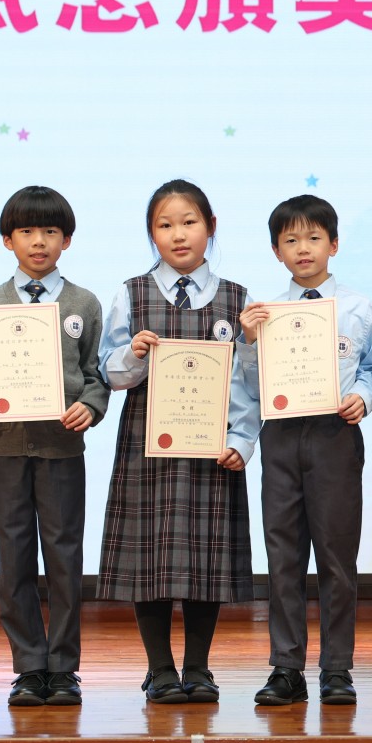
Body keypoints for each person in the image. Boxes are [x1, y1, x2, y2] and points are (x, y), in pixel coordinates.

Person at [96, 179, 259, 704]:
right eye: (164, 225)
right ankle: (160, 669)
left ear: (210, 227)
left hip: (212, 448)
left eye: (189, 222)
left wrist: (242, 440)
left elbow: (247, 382)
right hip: (148, 442)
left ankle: (199, 667)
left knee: (205, 558)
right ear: (152, 235)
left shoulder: (236, 299)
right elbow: (110, 372)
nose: (178, 234)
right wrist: (134, 354)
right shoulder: (131, 293)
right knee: (150, 557)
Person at [0, 185, 109, 708]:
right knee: (14, 557)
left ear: (67, 240)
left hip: (62, 447)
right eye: (26, 231)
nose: (38, 241)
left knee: (64, 557)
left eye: (50, 231)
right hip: (6, 446)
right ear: (8, 240)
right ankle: (28, 666)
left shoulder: (83, 303)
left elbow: (96, 374)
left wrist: (91, 406)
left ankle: (63, 668)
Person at [240, 195, 372, 708]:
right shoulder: (264, 313)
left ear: (334, 244)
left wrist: (362, 396)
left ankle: (337, 668)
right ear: (277, 251)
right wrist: (250, 342)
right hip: (281, 435)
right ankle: (286, 668)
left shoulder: (359, 307)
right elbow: (249, 385)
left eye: (314, 238)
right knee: (283, 557)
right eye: (291, 240)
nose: (303, 248)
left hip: (334, 436)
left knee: (337, 559)